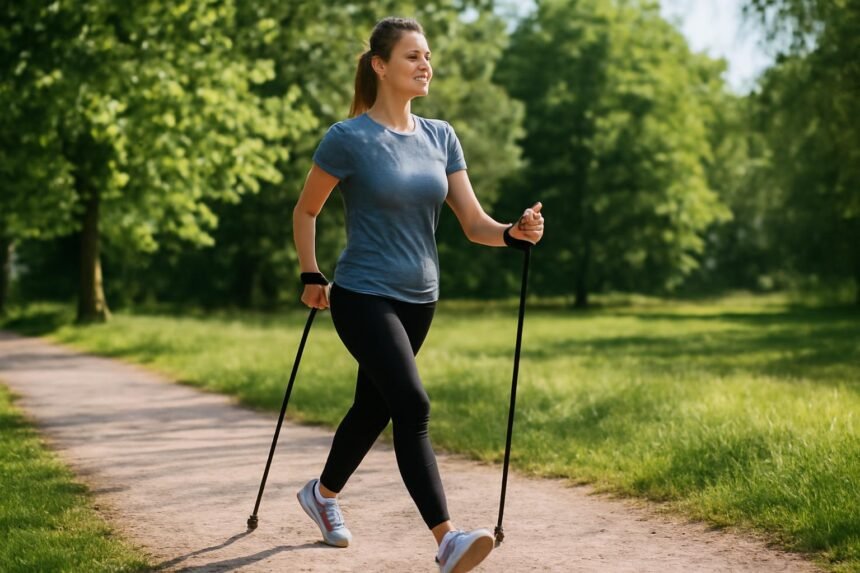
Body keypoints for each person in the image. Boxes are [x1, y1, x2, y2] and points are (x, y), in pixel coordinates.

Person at [292, 16, 544, 573]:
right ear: (380, 66)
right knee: (412, 404)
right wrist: (311, 275)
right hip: (361, 294)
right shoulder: (348, 138)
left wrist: (513, 232)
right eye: (412, 56)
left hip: (420, 298)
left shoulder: (441, 136)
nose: (424, 64)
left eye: (427, 56)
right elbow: (306, 210)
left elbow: (474, 223)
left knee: (372, 407)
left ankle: (322, 495)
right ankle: (447, 539)